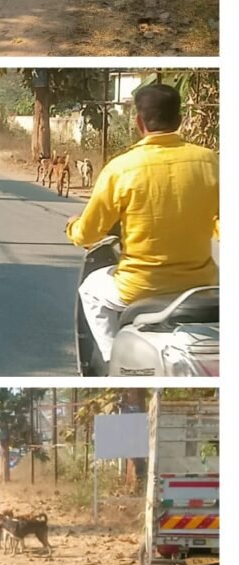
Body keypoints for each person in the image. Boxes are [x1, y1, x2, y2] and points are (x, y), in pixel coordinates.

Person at [66, 84, 219, 366]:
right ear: (180, 118)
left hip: (137, 288)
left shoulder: (122, 168)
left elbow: (88, 233)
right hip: (203, 285)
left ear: (139, 122)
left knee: (90, 290)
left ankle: (114, 363)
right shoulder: (210, 161)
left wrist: (73, 228)